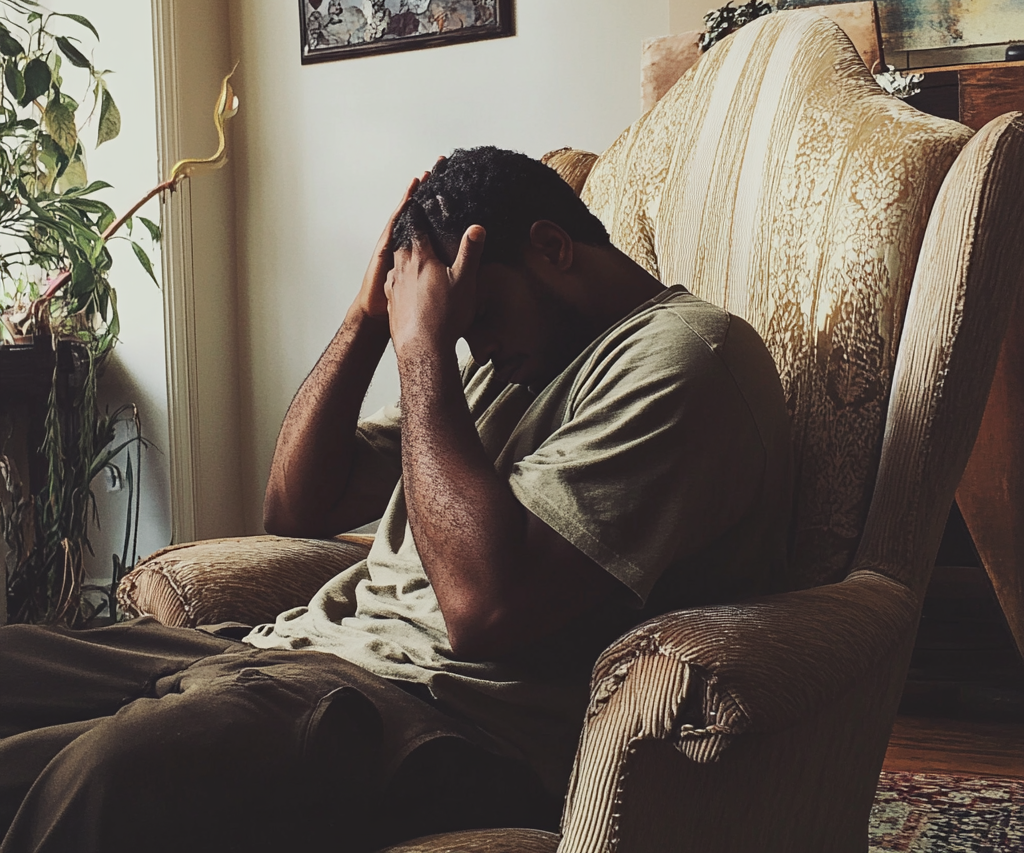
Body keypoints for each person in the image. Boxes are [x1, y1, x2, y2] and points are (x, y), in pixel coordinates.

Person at [0, 147, 792, 853]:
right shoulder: (508, 359)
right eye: (454, 327)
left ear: (552, 248)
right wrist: (367, 322)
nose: (472, 345)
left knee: (107, 774)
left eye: (477, 317)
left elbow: (483, 609)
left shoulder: (687, 358)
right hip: (289, 657)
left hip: (447, 719)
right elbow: (295, 508)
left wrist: (423, 347)